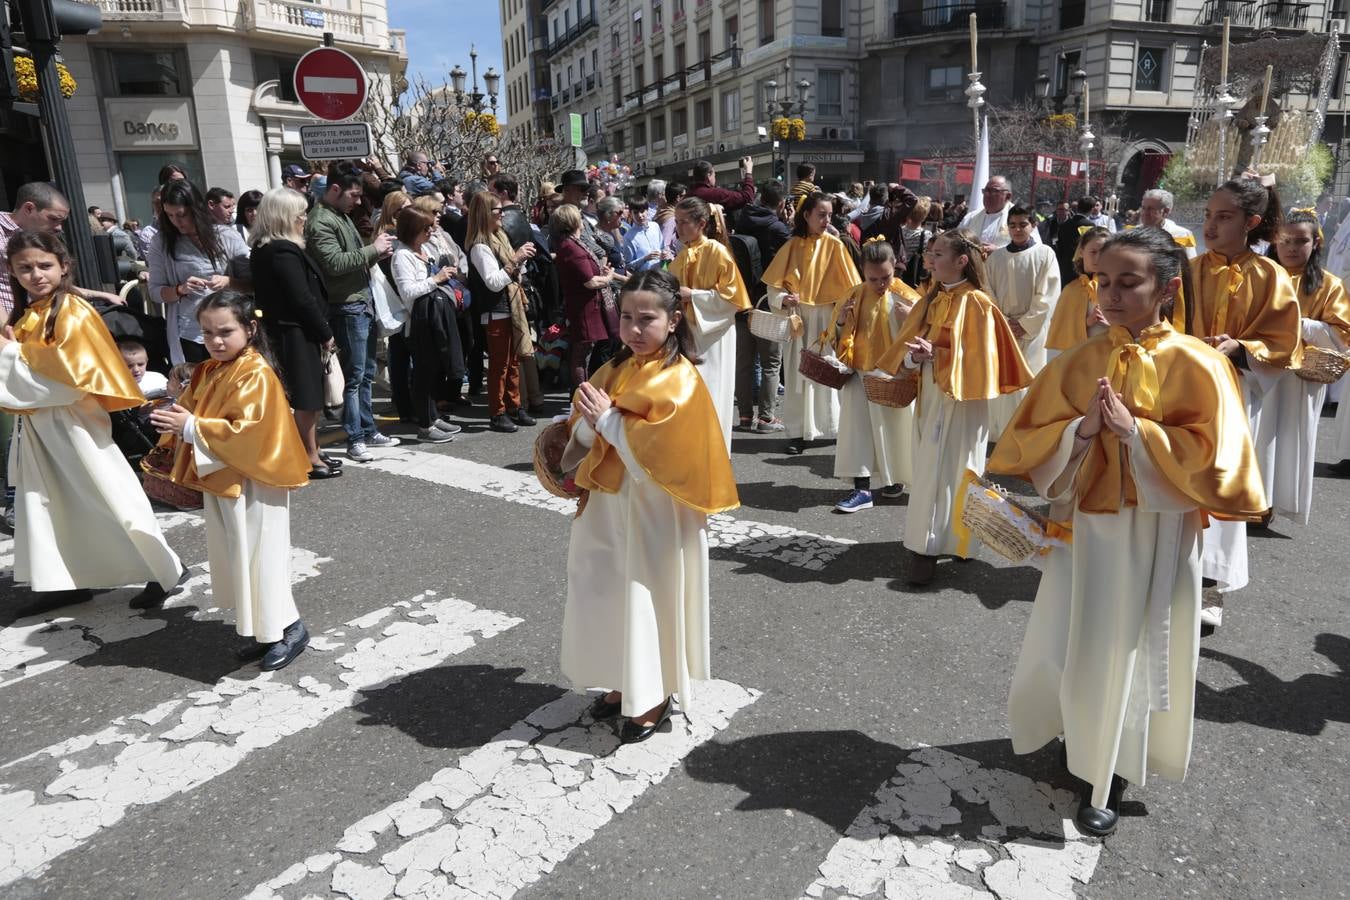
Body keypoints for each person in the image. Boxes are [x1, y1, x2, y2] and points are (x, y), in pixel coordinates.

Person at [987, 227, 1266, 838]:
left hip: (1159, 531)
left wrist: (1139, 435)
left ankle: (1112, 767)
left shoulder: (1201, 363)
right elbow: (1029, 443)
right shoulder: (1080, 360)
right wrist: (1082, 433)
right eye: (1103, 281)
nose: (1111, 295)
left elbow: (1218, 460)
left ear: (1165, 287)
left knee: (1137, 644)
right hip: (1087, 526)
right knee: (1078, 635)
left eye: (1129, 282)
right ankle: (1078, 734)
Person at [560, 268, 739, 744]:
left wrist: (608, 423)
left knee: (645, 592)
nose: (634, 330)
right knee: (605, 587)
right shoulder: (616, 367)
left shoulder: (679, 378)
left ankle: (653, 694)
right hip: (608, 503)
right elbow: (584, 420)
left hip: (654, 510)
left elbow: (663, 455)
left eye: (647, 319)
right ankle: (621, 679)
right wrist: (588, 422)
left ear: (674, 320)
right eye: (625, 318)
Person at [1, 230, 186, 615]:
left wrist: (10, 355)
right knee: (51, 504)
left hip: (74, 424)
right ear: (13, 273)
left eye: (44, 265)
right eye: (25, 268)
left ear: (64, 266)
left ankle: (165, 567)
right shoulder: (32, 313)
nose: (35, 274)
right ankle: (67, 579)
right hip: (41, 426)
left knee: (111, 496)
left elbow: (67, 381)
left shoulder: (72, 311)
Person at [150, 291, 312, 671]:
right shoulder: (208, 370)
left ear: (250, 328)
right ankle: (266, 630)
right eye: (207, 333)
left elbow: (249, 433)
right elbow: (190, 410)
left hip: (256, 480)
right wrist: (171, 419)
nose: (216, 341)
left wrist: (189, 426)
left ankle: (290, 628)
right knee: (242, 554)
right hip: (225, 476)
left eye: (225, 331)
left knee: (263, 555)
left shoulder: (256, 372)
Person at [875, 229, 1032, 585]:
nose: (930, 260)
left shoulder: (978, 303)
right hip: (933, 395)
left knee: (957, 468)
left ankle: (931, 548)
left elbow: (981, 361)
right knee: (931, 468)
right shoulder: (931, 298)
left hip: (963, 399)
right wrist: (917, 359)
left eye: (939, 254)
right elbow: (913, 349)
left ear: (962, 260)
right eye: (930, 253)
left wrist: (938, 356)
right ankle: (943, 540)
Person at [1189, 178, 1301, 628]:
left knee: (1222, 481)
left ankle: (1211, 585)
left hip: (1236, 393)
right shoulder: (1189, 268)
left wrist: (1241, 346)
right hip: (1182, 390)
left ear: (1251, 222)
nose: (1211, 226)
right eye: (1209, 215)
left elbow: (1282, 341)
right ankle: (1171, 570)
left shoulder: (1270, 275)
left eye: (1224, 217)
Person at [1261, 210, 1350, 523]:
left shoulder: (1329, 285)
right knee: (1257, 437)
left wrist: (1300, 325)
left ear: (1316, 244)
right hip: (1260, 370)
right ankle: (1252, 501)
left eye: (1301, 240)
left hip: (1301, 376)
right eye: (1285, 240)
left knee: (1289, 441)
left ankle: (1275, 503)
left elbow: (1342, 336)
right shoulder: (1260, 274)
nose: (1292, 247)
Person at [305, 162, 398, 462]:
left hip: (360, 301)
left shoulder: (339, 216)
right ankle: (355, 437)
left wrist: (375, 250)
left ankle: (367, 430)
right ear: (335, 190)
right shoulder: (320, 222)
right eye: (354, 195)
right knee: (355, 375)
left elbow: (348, 259)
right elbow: (334, 264)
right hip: (346, 305)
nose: (359, 201)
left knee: (366, 371)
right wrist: (374, 249)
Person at [249, 187, 342, 478]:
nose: (304, 219)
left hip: (287, 330)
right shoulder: (282, 251)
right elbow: (301, 297)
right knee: (307, 397)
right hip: (295, 332)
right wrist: (325, 332)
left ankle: (310, 448)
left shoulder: (266, 248)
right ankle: (310, 456)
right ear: (285, 217)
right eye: (300, 213)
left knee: (305, 396)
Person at [762, 192, 862, 455]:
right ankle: (798, 431)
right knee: (797, 373)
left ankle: (830, 426)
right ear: (806, 215)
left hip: (826, 318)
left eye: (829, 215)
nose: (825, 220)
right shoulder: (791, 246)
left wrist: (841, 315)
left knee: (826, 371)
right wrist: (785, 299)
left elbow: (850, 289)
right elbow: (774, 287)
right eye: (821, 214)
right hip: (798, 318)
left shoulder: (836, 245)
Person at [829, 239, 919, 512]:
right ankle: (862, 488)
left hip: (894, 378)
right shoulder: (854, 295)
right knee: (859, 433)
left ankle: (894, 481)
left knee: (894, 433)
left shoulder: (909, 297)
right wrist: (842, 322)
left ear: (895, 267)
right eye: (873, 278)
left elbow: (923, 339)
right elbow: (835, 338)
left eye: (886, 277)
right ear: (862, 271)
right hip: (860, 373)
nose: (880, 284)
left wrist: (911, 319)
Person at [669, 196, 753, 449]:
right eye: (676, 222)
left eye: (684, 222)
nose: (679, 227)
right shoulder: (682, 255)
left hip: (713, 334)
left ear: (702, 223)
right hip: (691, 332)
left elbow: (732, 300)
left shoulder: (717, 252)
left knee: (713, 390)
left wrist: (692, 296)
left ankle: (713, 449)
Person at [148, 180, 252, 364]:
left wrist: (229, 282)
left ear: (196, 209)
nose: (176, 221)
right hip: (190, 333)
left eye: (182, 214)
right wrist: (180, 289)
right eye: (169, 215)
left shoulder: (226, 236)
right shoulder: (162, 241)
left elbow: (253, 283)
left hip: (230, 329)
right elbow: (155, 291)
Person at [985, 205, 1062, 438]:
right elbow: (988, 292)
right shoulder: (996, 257)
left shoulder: (1044, 254)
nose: (1017, 229)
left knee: (1027, 381)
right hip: (1003, 329)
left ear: (1033, 226)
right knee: (1002, 380)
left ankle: (1024, 431)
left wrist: (1025, 324)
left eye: (1022, 224)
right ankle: (998, 433)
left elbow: (1048, 294)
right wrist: (1004, 322)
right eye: (1012, 225)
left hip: (1032, 332)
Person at [391, 206, 465, 444]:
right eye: (427, 228)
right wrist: (437, 278)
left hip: (434, 319)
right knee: (423, 374)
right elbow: (408, 292)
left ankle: (433, 416)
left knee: (434, 371)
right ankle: (425, 424)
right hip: (419, 323)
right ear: (414, 229)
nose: (432, 232)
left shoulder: (419, 250)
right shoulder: (401, 256)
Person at [465, 189, 537, 433]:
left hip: (511, 306)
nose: (502, 216)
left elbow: (512, 273)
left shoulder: (500, 237)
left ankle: (514, 406)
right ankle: (497, 413)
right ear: (486, 213)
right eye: (498, 211)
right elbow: (493, 281)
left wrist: (520, 260)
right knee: (499, 365)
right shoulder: (479, 246)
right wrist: (516, 260)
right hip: (495, 311)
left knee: (513, 361)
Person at [733, 180, 792, 432]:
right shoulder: (778, 228)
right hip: (768, 300)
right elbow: (792, 256)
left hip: (742, 298)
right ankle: (766, 418)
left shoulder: (742, 219)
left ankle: (745, 417)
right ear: (780, 203)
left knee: (744, 362)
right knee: (770, 363)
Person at [552, 203, 613, 389]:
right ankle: (581, 395)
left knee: (584, 353)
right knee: (580, 356)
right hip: (584, 309)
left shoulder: (574, 244)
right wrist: (608, 277)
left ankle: (582, 395)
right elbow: (590, 282)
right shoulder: (571, 248)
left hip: (587, 306)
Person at [1045, 226, 1110, 359]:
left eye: (1104, 252)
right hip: (1080, 359)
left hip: (1109, 355)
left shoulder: (1116, 287)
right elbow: (1062, 328)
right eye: (1093, 252)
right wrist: (1085, 322)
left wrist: (1112, 322)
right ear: (1081, 252)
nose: (1098, 257)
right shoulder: (1071, 290)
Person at [961, 176, 1040, 252]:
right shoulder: (971, 217)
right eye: (986, 191)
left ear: (1008, 196)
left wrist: (999, 251)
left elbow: (1034, 247)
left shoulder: (1020, 215)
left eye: (994, 191)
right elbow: (956, 240)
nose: (988, 195)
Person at [1138, 189, 1196, 258]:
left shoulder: (1181, 235)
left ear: (1166, 211)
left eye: (1151, 209)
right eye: (1143, 208)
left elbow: (1191, 265)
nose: (1145, 213)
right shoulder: (1134, 233)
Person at [689, 157, 756, 212]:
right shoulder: (715, 194)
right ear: (709, 175)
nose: (715, 178)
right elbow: (747, 198)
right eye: (714, 175)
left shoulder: (687, 197)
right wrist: (748, 172)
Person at [621, 195, 668, 273]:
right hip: (644, 278)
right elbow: (628, 266)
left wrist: (664, 254)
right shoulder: (628, 237)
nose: (640, 215)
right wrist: (645, 258)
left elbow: (662, 247)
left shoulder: (655, 226)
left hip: (661, 273)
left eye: (642, 211)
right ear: (631, 214)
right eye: (636, 213)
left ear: (647, 210)